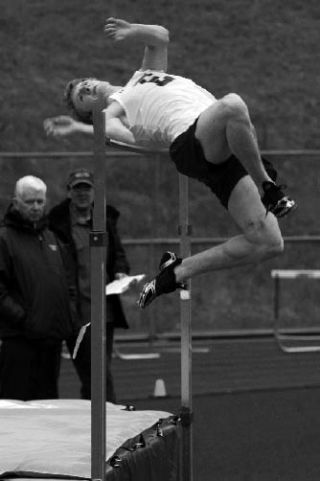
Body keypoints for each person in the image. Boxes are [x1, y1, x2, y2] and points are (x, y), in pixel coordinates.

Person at [44, 17, 296, 309]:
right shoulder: (112, 114)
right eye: (82, 96)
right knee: (233, 104)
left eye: (84, 83)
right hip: (192, 144)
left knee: (267, 242)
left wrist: (133, 31)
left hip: (227, 145)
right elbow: (121, 137)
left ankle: (178, 270)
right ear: (89, 112)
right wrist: (82, 129)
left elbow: (161, 37)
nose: (87, 88)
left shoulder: (142, 76)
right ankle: (269, 187)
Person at [49, 168, 130, 403]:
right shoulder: (57, 225)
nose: (82, 193)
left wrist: (120, 271)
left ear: (95, 192)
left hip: (105, 311)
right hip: (78, 313)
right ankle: (109, 423)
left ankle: (95, 421)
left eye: (87, 188)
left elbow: (119, 255)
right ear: (69, 193)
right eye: (77, 189)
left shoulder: (105, 221)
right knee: (97, 374)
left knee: (98, 373)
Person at [0, 176, 74, 400]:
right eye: (29, 201)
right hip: (19, 341)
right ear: (16, 202)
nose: (35, 207)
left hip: (49, 339)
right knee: (17, 406)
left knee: (48, 404)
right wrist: (24, 319)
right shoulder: (4, 238)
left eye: (40, 202)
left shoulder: (50, 237)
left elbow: (64, 280)